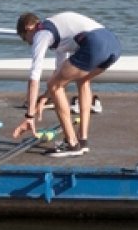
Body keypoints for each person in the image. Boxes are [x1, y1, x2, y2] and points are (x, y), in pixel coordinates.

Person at [11, 11, 121, 156]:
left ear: (29, 27)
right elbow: (61, 71)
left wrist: (29, 116)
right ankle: (82, 141)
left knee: (54, 86)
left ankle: (71, 144)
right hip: (113, 44)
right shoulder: (58, 33)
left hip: (94, 43)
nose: (29, 43)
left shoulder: (41, 33)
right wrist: (44, 97)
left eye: (26, 39)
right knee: (82, 80)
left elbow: (34, 76)